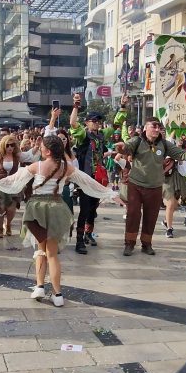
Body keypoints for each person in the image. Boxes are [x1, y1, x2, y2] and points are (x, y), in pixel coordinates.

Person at [0, 135, 120, 306]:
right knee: (52, 254)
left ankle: (40, 286)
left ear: (46, 151)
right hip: (57, 210)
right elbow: (89, 182)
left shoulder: (36, 166)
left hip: (37, 210)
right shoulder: (66, 168)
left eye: (42, 147)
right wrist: (112, 194)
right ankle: (57, 294)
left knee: (41, 250)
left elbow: (12, 181)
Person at [116, 117, 186, 256]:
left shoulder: (164, 144)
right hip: (136, 185)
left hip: (155, 186)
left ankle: (146, 244)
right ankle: (129, 244)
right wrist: (121, 148)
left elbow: (180, 154)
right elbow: (126, 148)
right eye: (154, 126)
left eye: (159, 127)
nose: (157, 129)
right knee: (133, 215)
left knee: (151, 216)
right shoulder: (137, 141)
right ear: (146, 127)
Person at [67, 93, 125, 253]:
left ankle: (88, 233)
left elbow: (116, 124)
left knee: (93, 208)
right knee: (84, 208)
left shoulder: (101, 135)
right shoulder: (83, 134)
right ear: (87, 122)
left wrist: (123, 107)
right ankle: (79, 241)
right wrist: (76, 106)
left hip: (99, 178)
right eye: (94, 121)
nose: (98, 124)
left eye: (99, 121)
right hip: (86, 178)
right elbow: (73, 123)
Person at [0, 134, 39, 238]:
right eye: (7, 145)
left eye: (12, 145)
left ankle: (8, 225)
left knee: (11, 209)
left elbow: (28, 156)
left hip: (14, 186)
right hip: (0, 186)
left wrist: (36, 146)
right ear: (3, 145)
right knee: (1, 209)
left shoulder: (17, 155)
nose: (10, 148)